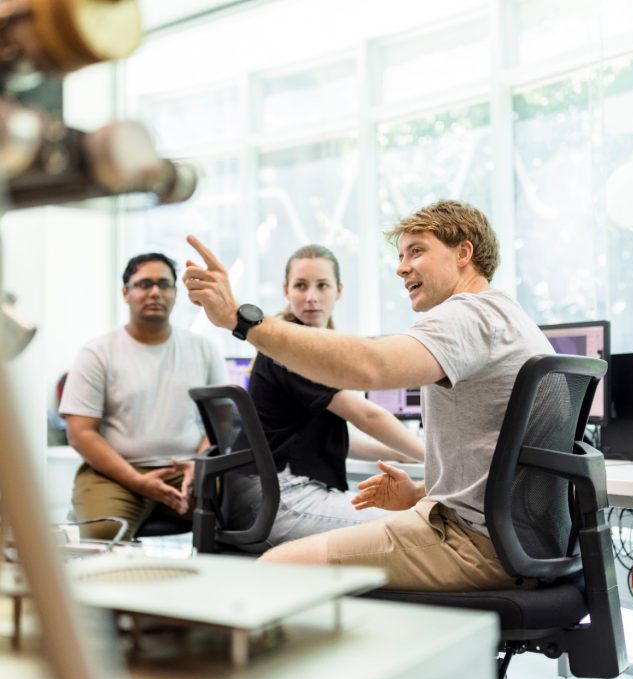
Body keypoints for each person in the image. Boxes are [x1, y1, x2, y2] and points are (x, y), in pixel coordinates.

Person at [183, 200, 553, 591]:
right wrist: (422, 490)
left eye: (417, 251)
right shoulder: (509, 317)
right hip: (509, 536)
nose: (401, 267)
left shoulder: (467, 316)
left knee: (275, 568)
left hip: (475, 541)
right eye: (400, 255)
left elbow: (370, 366)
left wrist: (239, 319)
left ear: (463, 253)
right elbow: (503, 467)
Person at [224, 244, 424, 546]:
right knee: (414, 529)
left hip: (272, 493)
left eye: (322, 285)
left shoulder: (300, 343)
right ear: (286, 291)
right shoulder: (292, 348)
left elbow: (324, 439)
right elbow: (368, 416)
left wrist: (399, 452)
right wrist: (433, 457)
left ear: (339, 290)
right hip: (276, 497)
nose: (311, 297)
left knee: (409, 521)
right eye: (301, 286)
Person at [60, 252, 228, 540]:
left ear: (176, 293)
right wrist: (136, 481)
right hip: (113, 474)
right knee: (105, 533)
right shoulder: (98, 352)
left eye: (164, 284)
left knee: (239, 512)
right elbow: (80, 433)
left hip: (186, 469)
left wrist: (199, 462)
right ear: (126, 293)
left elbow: (220, 422)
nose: (155, 292)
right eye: (144, 284)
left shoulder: (204, 349)